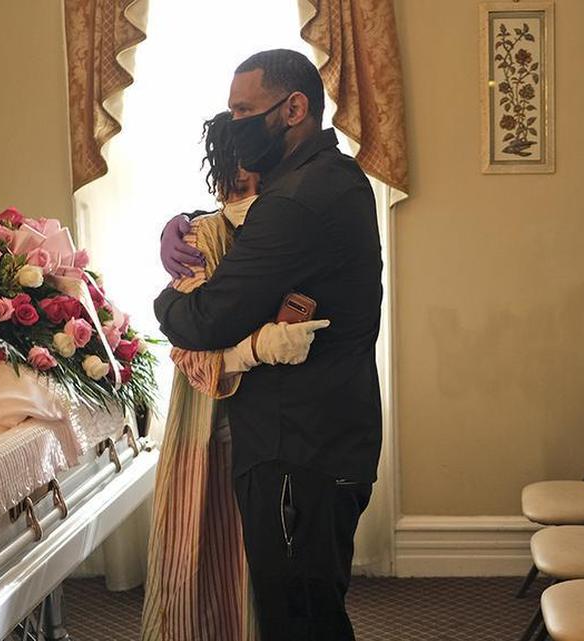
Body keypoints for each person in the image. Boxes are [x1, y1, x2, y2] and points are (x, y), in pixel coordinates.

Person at [154, 49, 383, 640]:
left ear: (294, 108)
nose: (233, 125)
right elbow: (240, 218)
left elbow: (204, 320)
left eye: (244, 110)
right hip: (329, 432)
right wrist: (182, 221)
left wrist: (164, 300)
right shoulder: (332, 176)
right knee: (308, 602)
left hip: (295, 448)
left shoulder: (296, 202)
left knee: (299, 617)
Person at [142, 112, 328, 641]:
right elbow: (188, 347)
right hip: (213, 426)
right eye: (238, 180)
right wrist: (250, 352)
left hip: (284, 425)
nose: (248, 188)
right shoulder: (201, 238)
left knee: (277, 573)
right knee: (213, 566)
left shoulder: (290, 218)